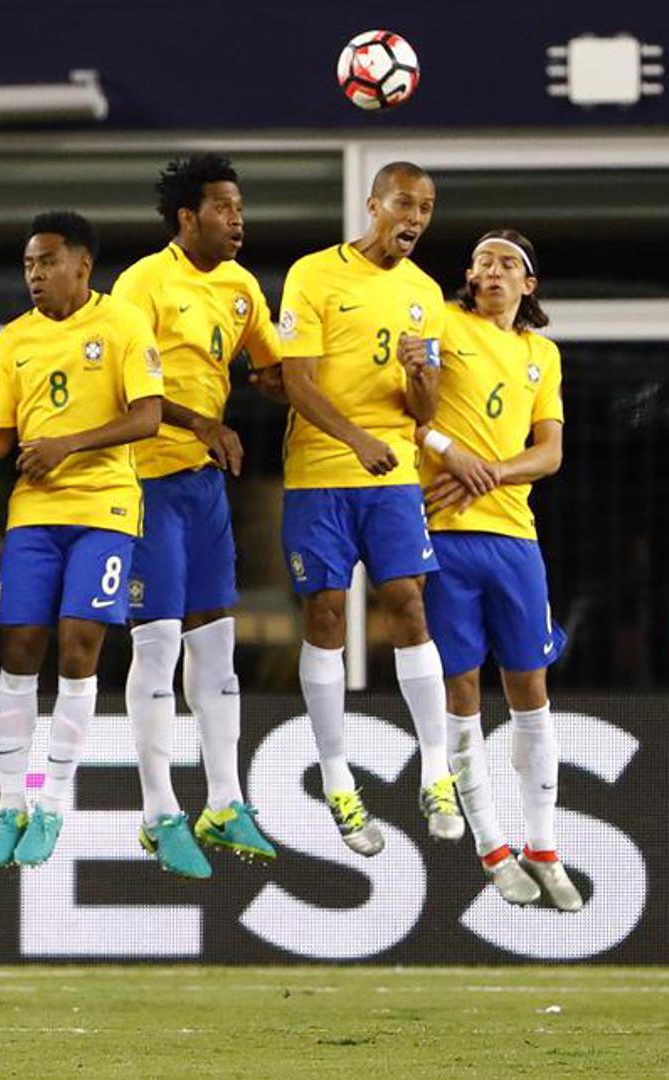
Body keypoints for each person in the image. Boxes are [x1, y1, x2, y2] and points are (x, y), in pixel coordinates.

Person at [0, 211, 164, 869]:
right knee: (17, 649)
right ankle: (11, 802)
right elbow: (3, 433)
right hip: (33, 514)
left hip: (104, 508)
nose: (35, 275)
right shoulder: (15, 339)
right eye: (28, 265)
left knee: (77, 647)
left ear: (82, 265)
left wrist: (68, 445)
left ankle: (51, 804)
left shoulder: (123, 323)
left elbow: (148, 416)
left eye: (46, 262)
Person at [277, 160, 461, 855]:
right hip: (320, 472)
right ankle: (338, 781)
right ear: (374, 205)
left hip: (392, 477)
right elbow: (297, 381)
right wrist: (355, 440)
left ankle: (437, 773)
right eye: (405, 204)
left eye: (426, 208)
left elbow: (425, 409)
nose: (415, 218)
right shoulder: (313, 274)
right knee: (325, 610)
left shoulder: (425, 293)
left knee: (408, 603)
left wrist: (423, 374)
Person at [111, 154, 283, 879]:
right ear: (187, 217)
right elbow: (126, 390)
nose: (237, 219)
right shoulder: (142, 284)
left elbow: (270, 368)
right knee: (155, 643)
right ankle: (158, 813)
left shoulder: (241, 287)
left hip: (203, 486)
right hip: (145, 481)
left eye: (239, 207)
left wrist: (305, 379)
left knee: (215, 641)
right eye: (222, 207)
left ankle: (224, 801)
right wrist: (202, 423)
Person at [411, 230, 579, 910]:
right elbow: (405, 411)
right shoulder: (442, 323)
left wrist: (487, 473)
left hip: (513, 537)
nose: (493, 271)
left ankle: (543, 845)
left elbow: (550, 454)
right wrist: (450, 452)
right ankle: (492, 847)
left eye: (508, 263)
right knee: (461, 689)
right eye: (483, 261)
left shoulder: (542, 353)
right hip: (444, 534)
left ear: (528, 284)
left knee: (530, 686)